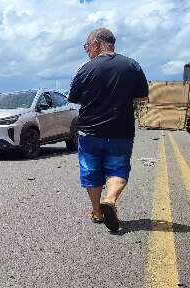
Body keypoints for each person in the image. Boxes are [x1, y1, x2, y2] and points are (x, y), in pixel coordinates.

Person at [68, 28, 148, 231]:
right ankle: (110, 200)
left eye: (87, 47)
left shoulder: (85, 69)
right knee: (118, 169)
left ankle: (97, 211)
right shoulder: (132, 65)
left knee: (90, 171)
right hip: (121, 131)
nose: (87, 51)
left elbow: (74, 98)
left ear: (96, 44)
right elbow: (142, 98)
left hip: (89, 133)